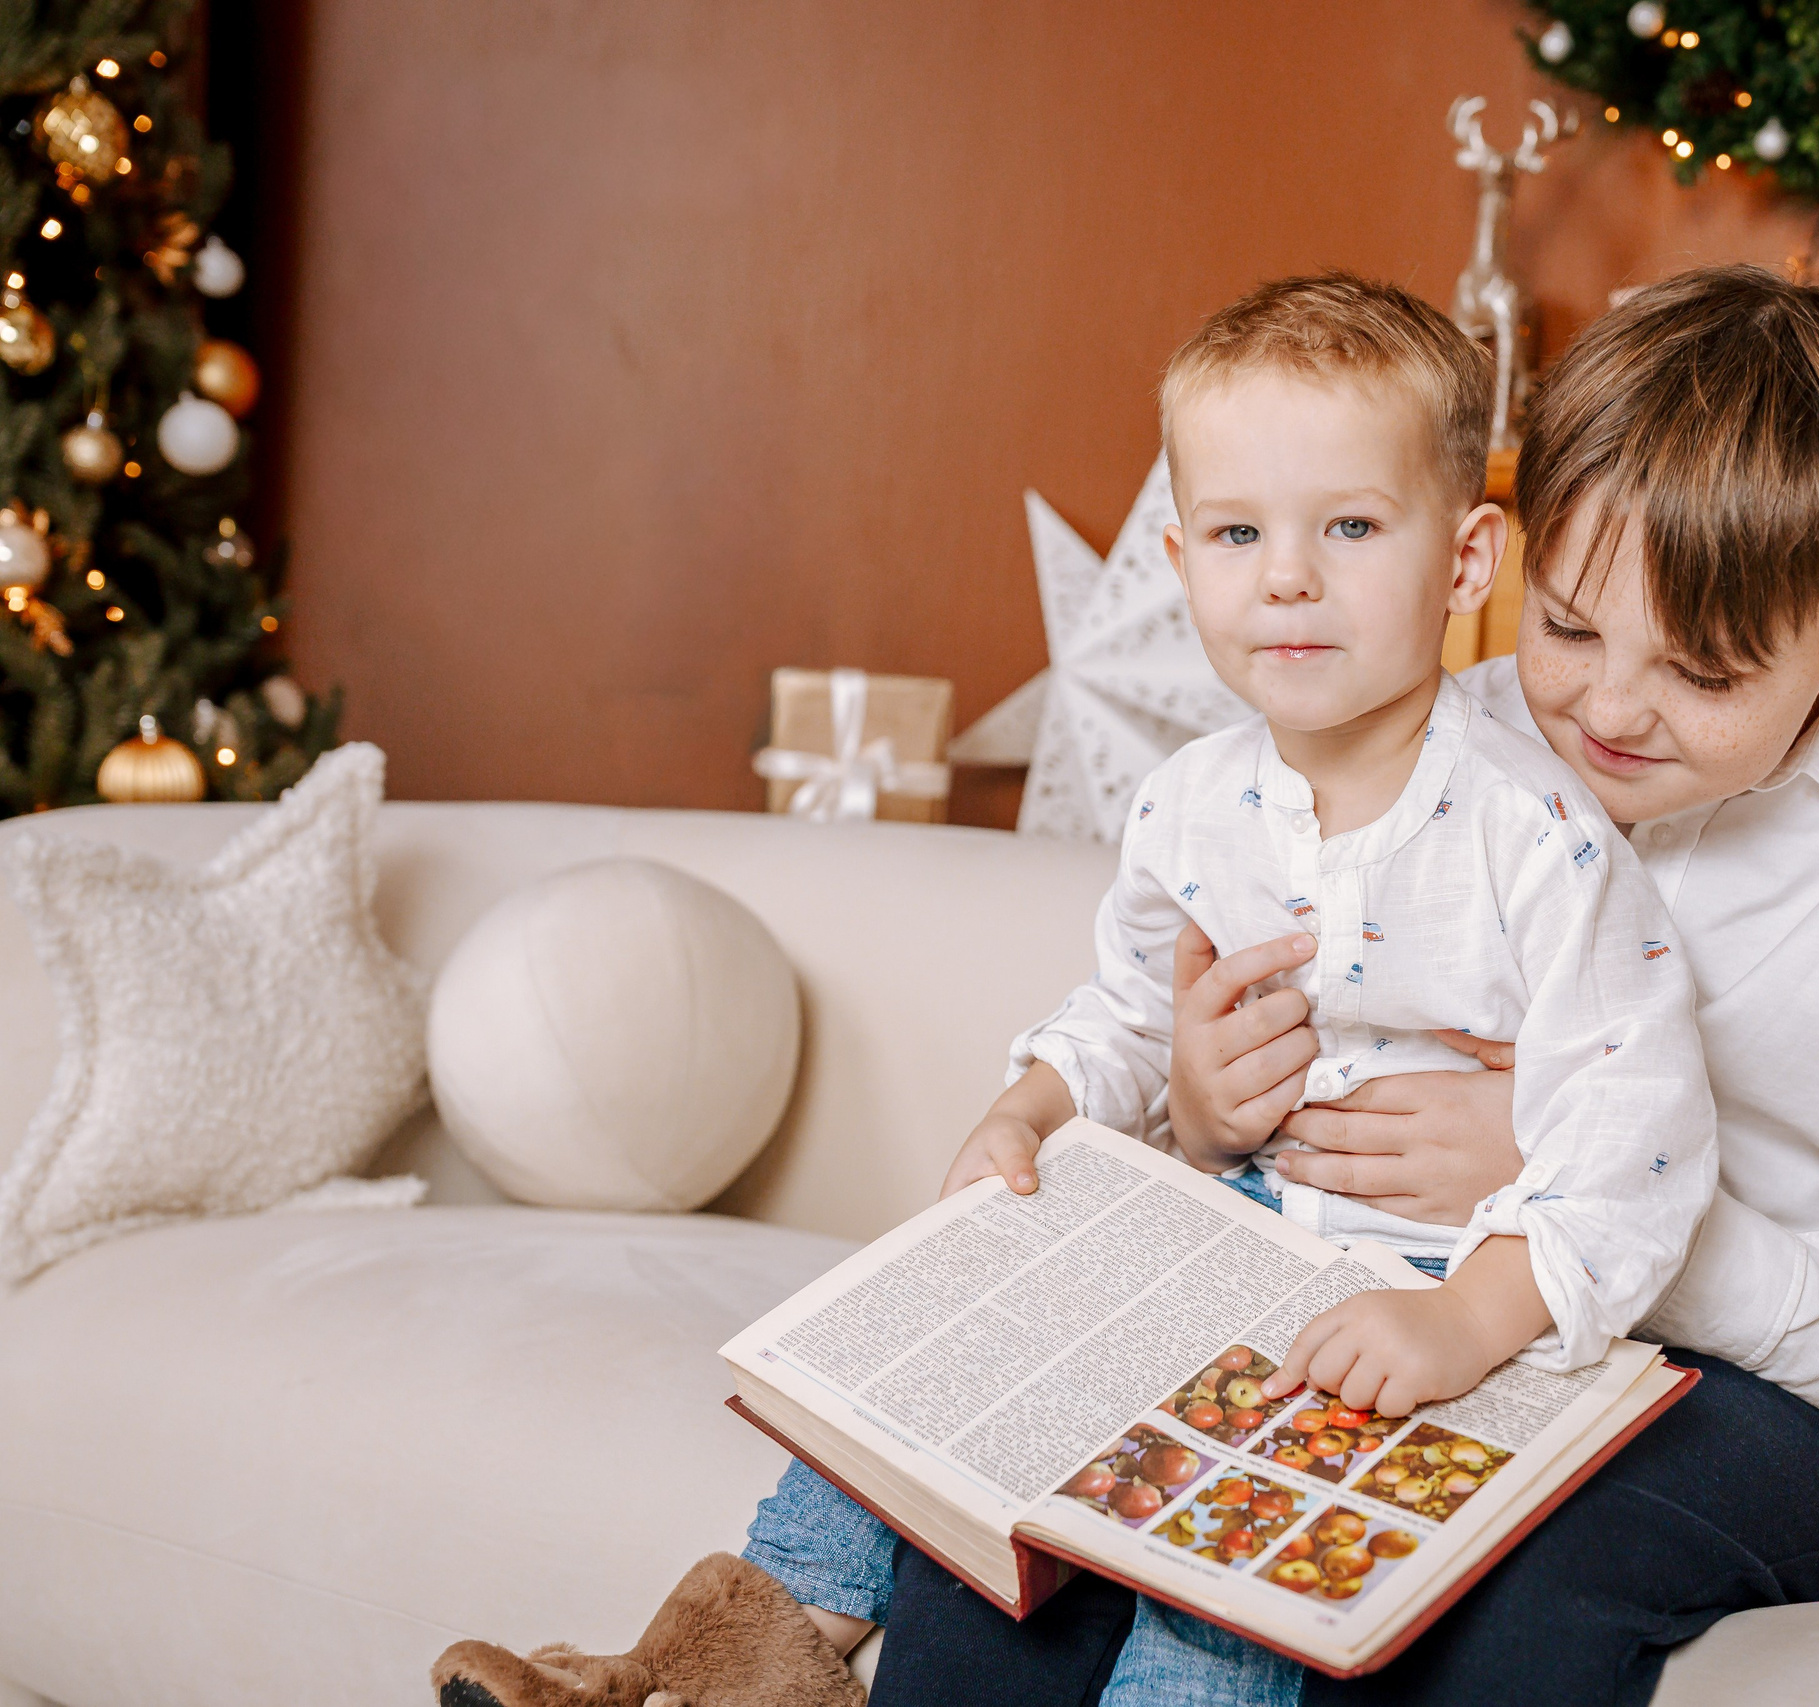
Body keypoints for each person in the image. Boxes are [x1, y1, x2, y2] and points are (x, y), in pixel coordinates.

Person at [432, 271, 1719, 1707]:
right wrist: (1029, 1110)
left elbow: (1638, 1129)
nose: (1286, 576)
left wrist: (1465, 1320)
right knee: (936, 1335)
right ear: (1183, 562)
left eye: (1350, 528)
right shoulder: (1193, 804)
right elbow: (1118, 1009)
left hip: (1425, 1294)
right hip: (1224, 1237)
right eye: (1239, 534)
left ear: (1470, 560)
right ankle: (711, 1674)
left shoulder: (1538, 838)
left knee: (1220, 1567)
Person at [865, 267, 1819, 1707]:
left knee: (1502, 1594)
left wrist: (1583, 1192)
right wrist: (1199, 1117)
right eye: (1567, 628)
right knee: (1047, 1496)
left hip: (1743, 1393)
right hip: (1381, 1284)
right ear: (1502, 565)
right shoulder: (1431, 734)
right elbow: (1198, 1060)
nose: (1609, 711)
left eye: (1703, 674)